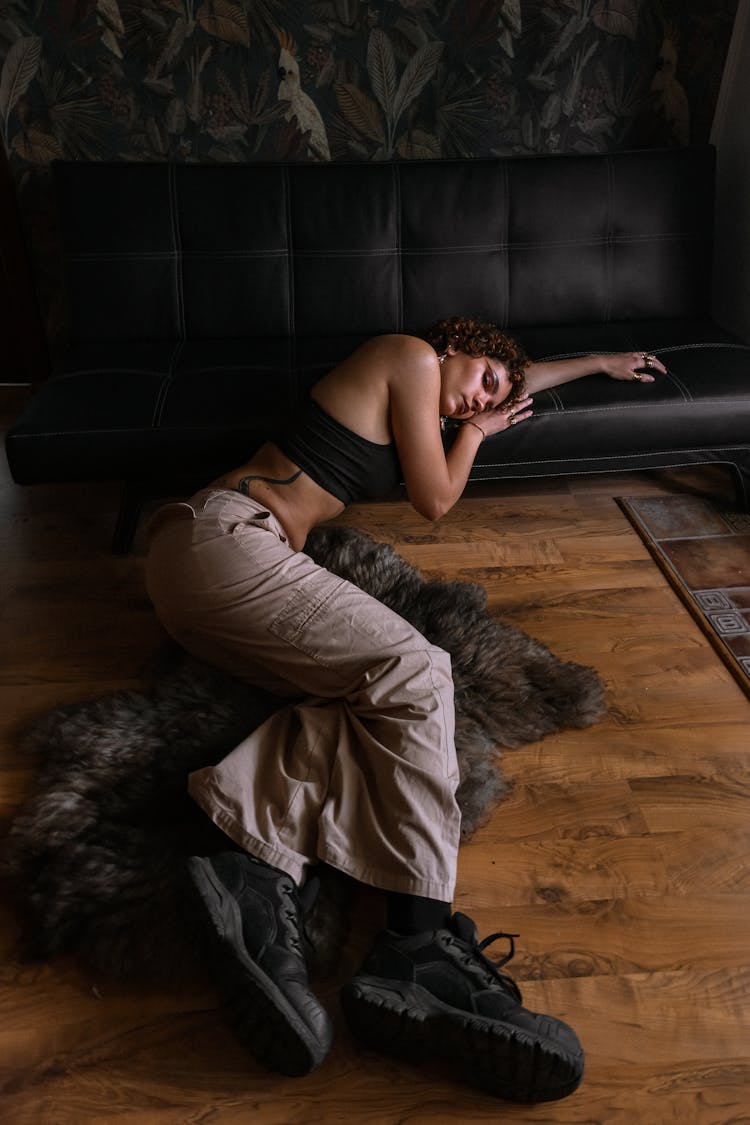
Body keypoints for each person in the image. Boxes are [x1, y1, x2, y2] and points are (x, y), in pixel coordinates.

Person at [145, 318, 666, 1104]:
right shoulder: (409, 355)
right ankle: (416, 945)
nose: (472, 405)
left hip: (204, 574)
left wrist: (597, 362)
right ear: (460, 342)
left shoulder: (434, 383)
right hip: (226, 541)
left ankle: (251, 867)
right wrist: (478, 435)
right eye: (484, 381)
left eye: (481, 407)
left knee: (360, 702)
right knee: (417, 670)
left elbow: (512, 382)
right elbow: (435, 499)